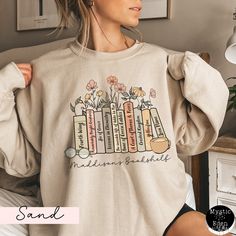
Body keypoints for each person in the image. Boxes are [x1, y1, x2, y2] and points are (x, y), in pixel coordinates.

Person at [0, 0, 231, 235]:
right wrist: (2, 88)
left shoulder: (158, 63)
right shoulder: (46, 73)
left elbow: (191, 140)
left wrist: (193, 70)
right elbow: (23, 162)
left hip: (166, 213)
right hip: (80, 223)